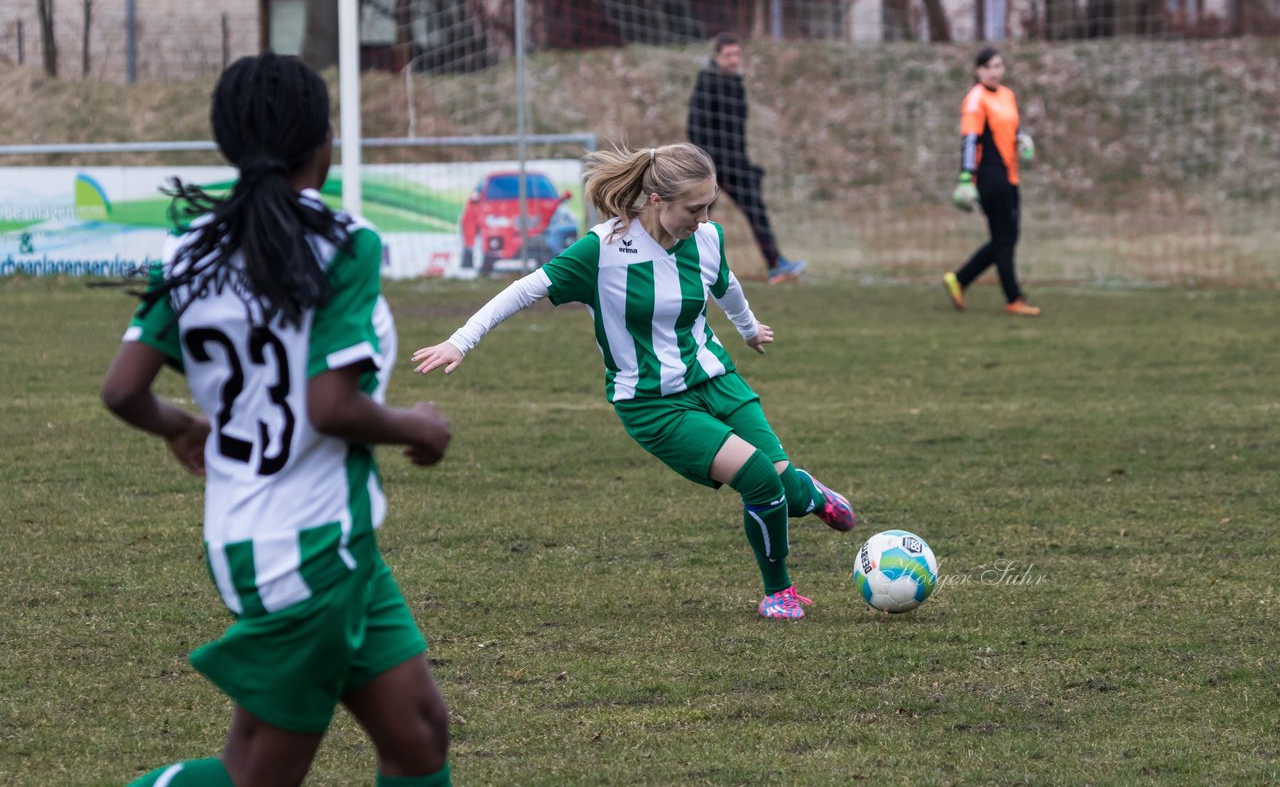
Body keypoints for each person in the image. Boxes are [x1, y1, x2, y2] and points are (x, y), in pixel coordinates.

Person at [100, 52, 455, 787]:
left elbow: (123, 390)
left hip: (287, 534)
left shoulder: (192, 247)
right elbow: (331, 407)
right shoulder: (343, 241)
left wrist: (179, 426)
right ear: (322, 141)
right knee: (257, 776)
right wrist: (418, 425)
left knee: (419, 736)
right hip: (306, 549)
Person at [411, 143, 856, 620]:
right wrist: (461, 340)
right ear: (657, 199)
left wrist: (748, 329)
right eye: (693, 208)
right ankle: (779, 592)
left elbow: (725, 284)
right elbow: (526, 289)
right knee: (758, 477)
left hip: (717, 380)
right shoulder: (601, 250)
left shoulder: (706, 238)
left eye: (709, 206)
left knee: (783, 492)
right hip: (652, 404)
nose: (703, 219)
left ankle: (806, 493)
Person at [687, 32, 806, 284]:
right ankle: (673, 261)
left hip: (736, 164)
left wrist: (745, 165)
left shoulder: (736, 83)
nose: (733, 59)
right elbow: (696, 129)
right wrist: (711, 167)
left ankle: (776, 265)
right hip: (713, 167)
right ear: (717, 57)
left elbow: (735, 132)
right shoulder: (707, 83)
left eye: (736, 54)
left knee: (756, 211)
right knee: (694, 217)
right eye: (728, 55)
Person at [943, 45, 1040, 316]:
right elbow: (970, 140)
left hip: (1010, 174)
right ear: (978, 70)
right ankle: (1014, 298)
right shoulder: (975, 100)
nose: (995, 72)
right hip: (989, 176)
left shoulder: (1008, 95)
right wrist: (965, 178)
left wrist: (1024, 140)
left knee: (1005, 237)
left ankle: (960, 279)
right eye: (989, 67)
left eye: (999, 66)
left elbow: (1013, 128)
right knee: (1005, 238)